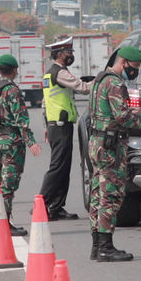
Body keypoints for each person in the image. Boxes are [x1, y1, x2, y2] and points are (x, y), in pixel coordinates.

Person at [87, 46, 141, 262]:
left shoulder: (99, 80)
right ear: (123, 62)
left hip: (97, 142)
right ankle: (106, 247)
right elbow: (122, 117)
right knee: (111, 195)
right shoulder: (115, 83)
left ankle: (97, 246)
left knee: (97, 194)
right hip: (111, 147)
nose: (135, 72)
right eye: (134, 67)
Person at [0, 54, 42, 235]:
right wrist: (31, 142)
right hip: (12, 141)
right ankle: (4, 223)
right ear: (15, 70)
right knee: (8, 184)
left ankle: (1, 220)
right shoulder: (13, 91)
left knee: (1, 180)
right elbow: (21, 119)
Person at [39, 37, 92, 221]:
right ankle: (41, 204)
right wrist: (102, 81)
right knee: (57, 167)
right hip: (60, 126)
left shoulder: (50, 73)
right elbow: (83, 88)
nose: (71, 56)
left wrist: (46, 125)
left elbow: (45, 103)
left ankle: (56, 207)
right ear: (60, 54)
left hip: (56, 125)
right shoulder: (59, 73)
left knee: (63, 167)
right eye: (68, 53)